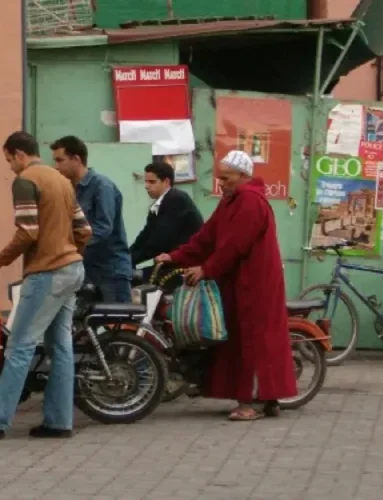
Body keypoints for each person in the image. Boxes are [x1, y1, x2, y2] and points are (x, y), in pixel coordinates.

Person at [0, 131, 92, 439]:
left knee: (19, 347)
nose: (10, 168)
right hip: (72, 269)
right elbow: (84, 229)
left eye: (9, 160)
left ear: (18, 154)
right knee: (61, 347)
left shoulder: (26, 181)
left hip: (47, 273)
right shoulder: (62, 181)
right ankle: (58, 421)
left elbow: (27, 232)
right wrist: (69, 255)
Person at [155, 150, 297, 421]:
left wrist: (206, 268)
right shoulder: (232, 201)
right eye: (220, 177)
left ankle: (252, 403)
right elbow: (207, 237)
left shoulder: (250, 202)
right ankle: (268, 401)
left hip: (256, 286)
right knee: (245, 341)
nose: (222, 182)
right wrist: (175, 256)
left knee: (253, 342)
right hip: (239, 283)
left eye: (227, 177)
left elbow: (234, 245)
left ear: (243, 176)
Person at [50, 135, 133, 302]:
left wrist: (70, 246)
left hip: (110, 272)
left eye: (60, 160)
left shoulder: (102, 186)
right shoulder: (70, 189)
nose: (56, 167)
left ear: (76, 159)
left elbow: (103, 227)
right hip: (86, 270)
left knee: (118, 325)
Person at [129, 160, 203, 287]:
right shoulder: (159, 204)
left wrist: (128, 260)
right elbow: (145, 236)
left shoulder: (176, 199)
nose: (146, 186)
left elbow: (159, 241)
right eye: (146, 182)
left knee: (134, 280)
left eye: (152, 182)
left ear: (166, 182)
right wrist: (127, 256)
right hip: (169, 264)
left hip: (184, 267)